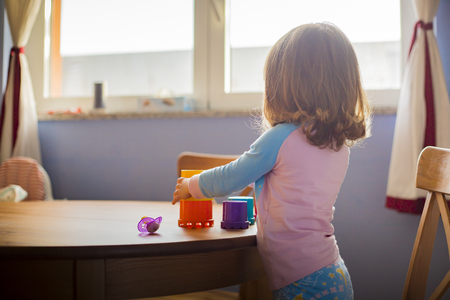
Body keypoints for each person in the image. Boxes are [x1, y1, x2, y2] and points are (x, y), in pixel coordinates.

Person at [173, 22, 371, 300]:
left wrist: (190, 185)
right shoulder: (337, 145)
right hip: (331, 272)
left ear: (285, 85)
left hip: (303, 282)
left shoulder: (281, 138)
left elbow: (232, 176)